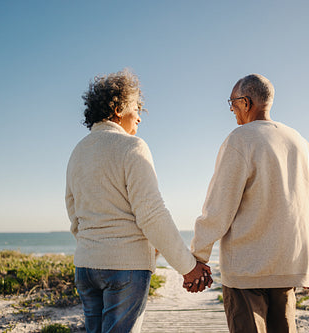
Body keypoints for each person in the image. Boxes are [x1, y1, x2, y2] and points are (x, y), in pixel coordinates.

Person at [65, 69, 211, 333]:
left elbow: (73, 212)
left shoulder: (78, 151)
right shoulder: (132, 147)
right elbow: (152, 214)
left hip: (85, 266)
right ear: (118, 109)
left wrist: (93, 245)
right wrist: (188, 268)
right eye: (136, 107)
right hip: (125, 267)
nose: (140, 117)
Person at [189, 74, 309, 332]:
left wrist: (198, 257)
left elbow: (218, 207)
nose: (231, 110)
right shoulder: (300, 142)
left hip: (246, 270)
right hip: (288, 267)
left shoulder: (240, 139)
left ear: (246, 102)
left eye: (232, 103)